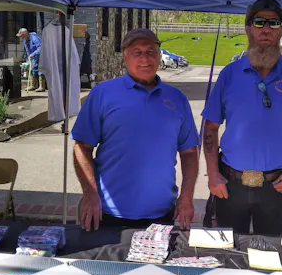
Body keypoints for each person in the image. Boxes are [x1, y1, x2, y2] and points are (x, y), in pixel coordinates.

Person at [201, 0, 282, 235]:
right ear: (248, 29)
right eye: (259, 22)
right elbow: (210, 128)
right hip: (230, 186)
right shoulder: (230, 75)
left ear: (281, 30)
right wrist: (213, 174)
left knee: (271, 252)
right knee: (229, 251)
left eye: (274, 23)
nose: (266, 29)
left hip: (275, 188)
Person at [71, 28, 199, 231]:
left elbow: (190, 152)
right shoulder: (102, 94)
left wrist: (186, 197)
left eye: (150, 52)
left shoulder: (177, 99)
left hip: (162, 213)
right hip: (107, 212)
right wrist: (90, 193)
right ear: (124, 56)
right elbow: (82, 147)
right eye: (136, 52)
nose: (144, 59)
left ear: (159, 55)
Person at [17, 28, 46, 92]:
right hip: (32, 57)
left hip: (40, 55)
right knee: (32, 69)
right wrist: (28, 58)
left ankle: (42, 86)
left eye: (21, 35)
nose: (21, 37)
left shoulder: (34, 38)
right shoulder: (25, 40)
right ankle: (33, 85)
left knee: (40, 70)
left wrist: (34, 54)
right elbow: (27, 50)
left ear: (25, 34)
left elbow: (41, 47)